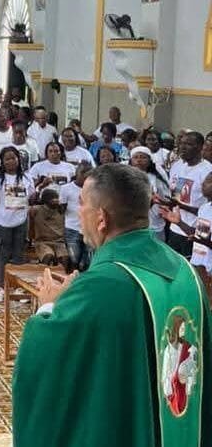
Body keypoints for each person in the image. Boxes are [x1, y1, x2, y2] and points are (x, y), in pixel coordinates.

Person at [12, 164, 212, 447]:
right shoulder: (186, 273)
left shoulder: (100, 287)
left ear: (101, 219)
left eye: (82, 204)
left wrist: (50, 308)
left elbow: (45, 368)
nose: (78, 212)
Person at [0, 146, 35, 303]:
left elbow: (32, 198)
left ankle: (17, 286)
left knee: (18, 255)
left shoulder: (27, 178)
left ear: (18, 159)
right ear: (2, 161)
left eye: (13, 158)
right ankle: (0, 287)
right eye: (7, 158)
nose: (11, 161)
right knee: (2, 254)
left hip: (21, 221)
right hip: (2, 221)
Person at [164, 131, 212, 257]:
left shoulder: (208, 171)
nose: (183, 147)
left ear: (200, 147)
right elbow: (177, 196)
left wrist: (182, 206)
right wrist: (167, 203)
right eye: (181, 143)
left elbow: (208, 209)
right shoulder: (177, 166)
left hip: (196, 233)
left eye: (189, 144)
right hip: (175, 227)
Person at [59, 164, 92, 272]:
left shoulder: (94, 189)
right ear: (78, 174)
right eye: (83, 174)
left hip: (89, 228)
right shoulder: (66, 188)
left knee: (87, 260)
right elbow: (61, 210)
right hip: (72, 227)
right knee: (74, 258)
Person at [29, 188, 67, 265]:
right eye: (53, 198)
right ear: (46, 200)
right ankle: (44, 274)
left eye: (57, 198)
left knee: (65, 259)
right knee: (48, 256)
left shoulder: (60, 210)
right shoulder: (37, 210)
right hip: (43, 242)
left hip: (59, 241)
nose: (56, 200)